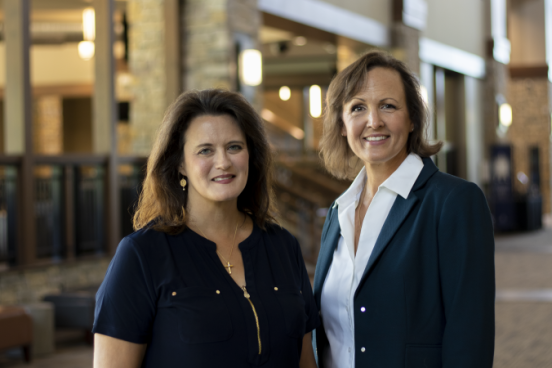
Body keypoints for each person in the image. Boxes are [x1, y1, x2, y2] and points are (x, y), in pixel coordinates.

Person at [92, 89, 319, 368]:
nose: (223, 162)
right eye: (205, 150)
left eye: (234, 147)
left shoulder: (283, 246)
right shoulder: (142, 255)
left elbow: (306, 362)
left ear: (251, 155)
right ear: (180, 164)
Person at [313, 51, 495, 368]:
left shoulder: (454, 202)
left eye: (388, 105)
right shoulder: (337, 212)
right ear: (342, 124)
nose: (374, 121)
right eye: (358, 108)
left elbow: (469, 337)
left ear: (412, 118)